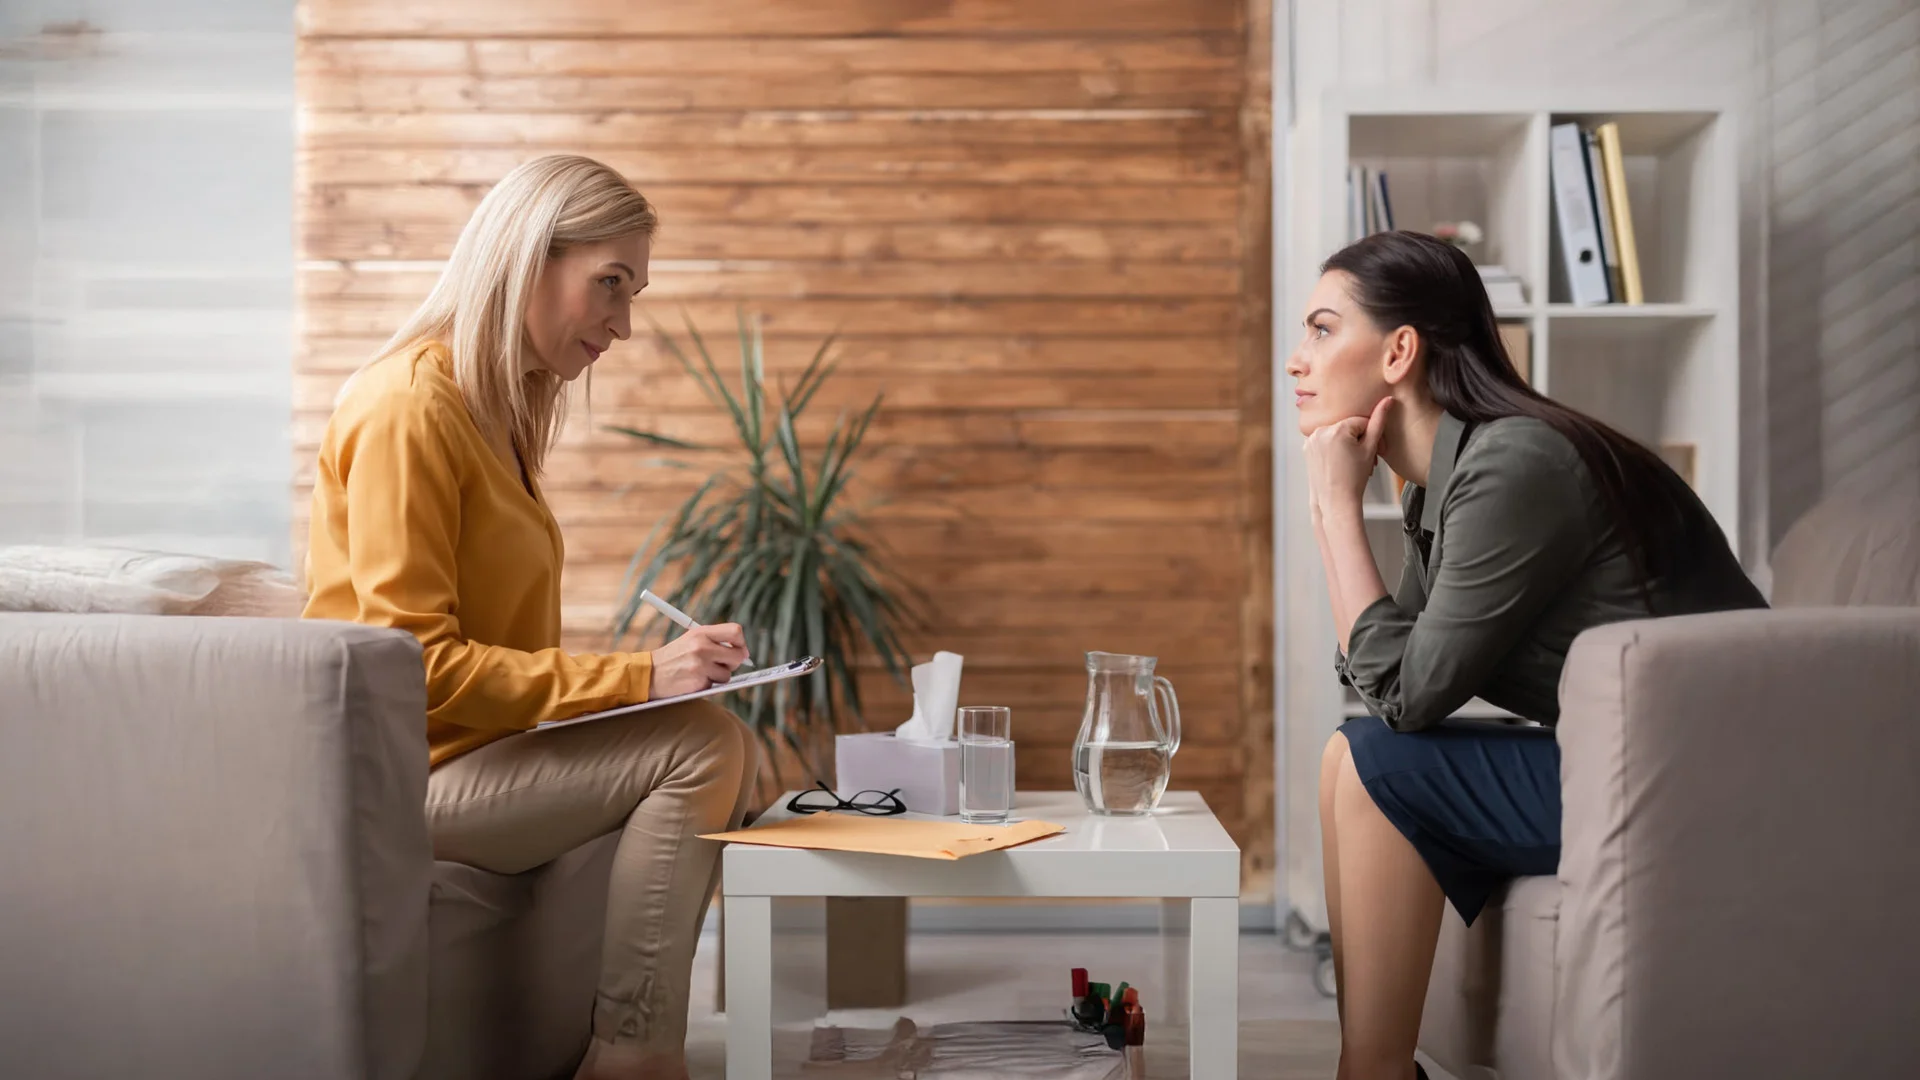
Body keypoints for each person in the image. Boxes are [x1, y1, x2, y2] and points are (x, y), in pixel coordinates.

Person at [303, 154, 757, 1080]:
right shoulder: (408, 410)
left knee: (701, 738)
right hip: (404, 780)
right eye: (610, 284)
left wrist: (638, 689)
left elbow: (490, 651)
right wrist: (638, 679)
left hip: (470, 758)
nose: (624, 325)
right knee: (702, 746)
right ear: (528, 257)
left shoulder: (488, 414)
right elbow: (414, 663)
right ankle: (634, 1055)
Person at [1289, 230, 1765, 1080]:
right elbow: (1382, 671)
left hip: (1702, 782)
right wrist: (1344, 514)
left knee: (1375, 760)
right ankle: (1373, 1064)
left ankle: (1372, 1069)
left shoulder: (1514, 464)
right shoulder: (1449, 480)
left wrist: (1332, 511)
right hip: (1629, 764)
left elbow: (1406, 693)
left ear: (1400, 351)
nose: (1298, 361)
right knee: (1347, 756)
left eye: (1322, 330)